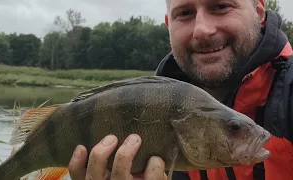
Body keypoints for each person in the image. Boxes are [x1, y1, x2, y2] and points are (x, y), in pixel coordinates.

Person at [67, 0, 293, 179]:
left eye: (221, 6)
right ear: (169, 24)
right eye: (184, 13)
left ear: (259, 10)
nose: (202, 30)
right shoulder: (162, 102)